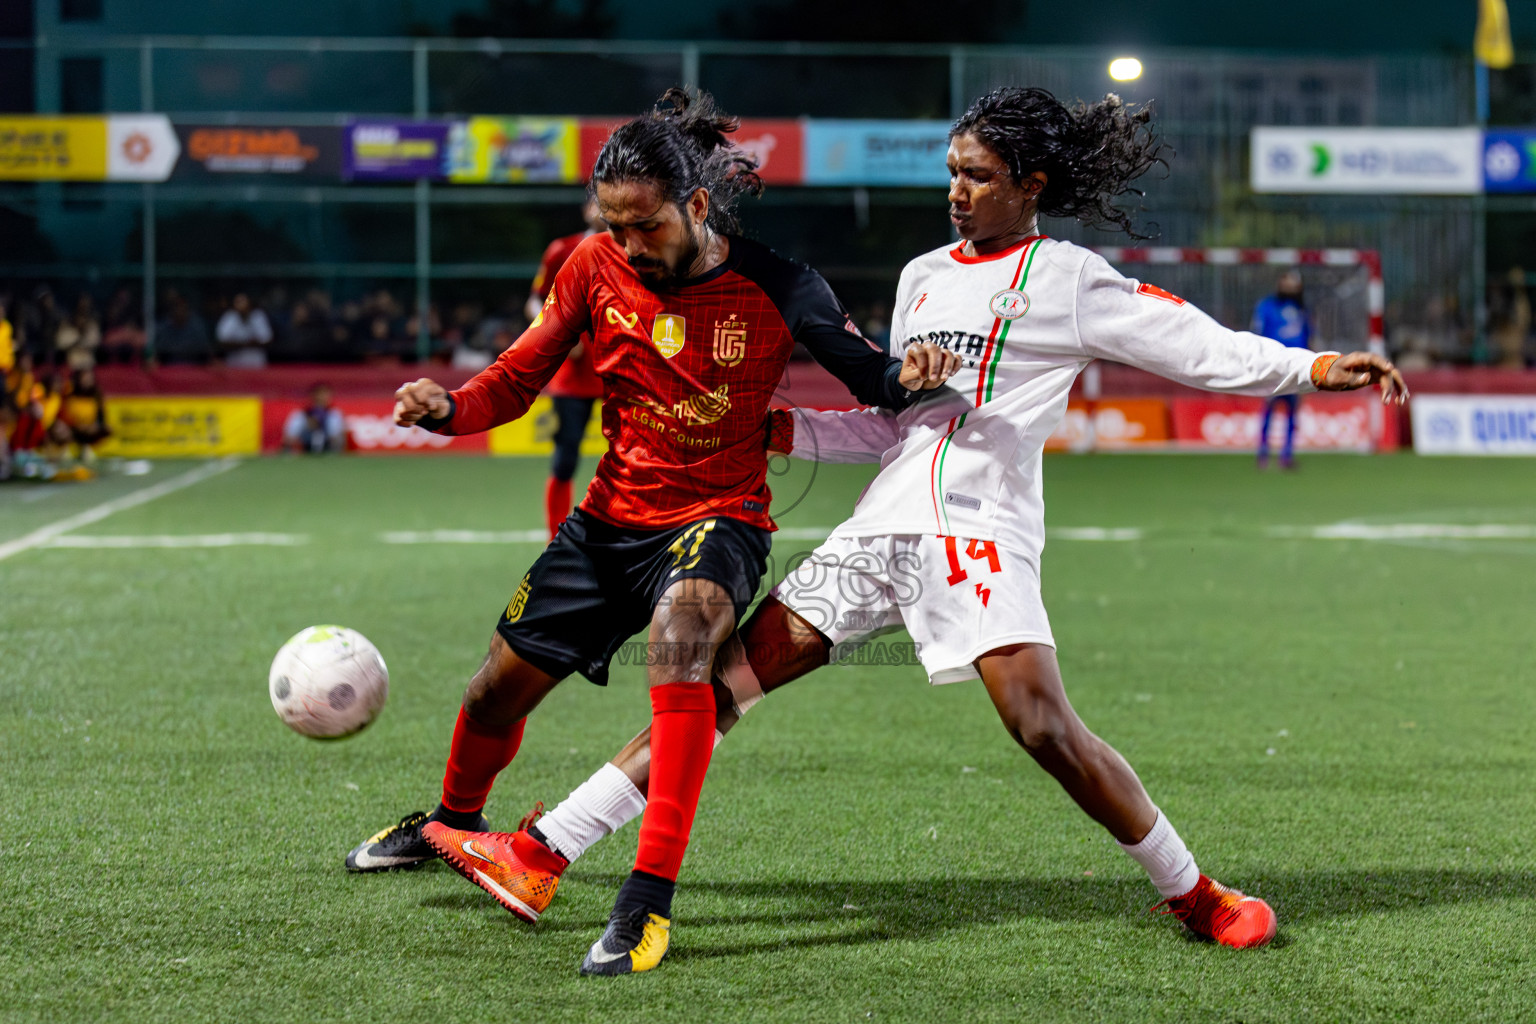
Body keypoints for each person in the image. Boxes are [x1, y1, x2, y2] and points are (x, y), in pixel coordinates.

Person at [424, 87, 1410, 961]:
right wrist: (784, 426)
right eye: (951, 172)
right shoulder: (924, 276)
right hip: (880, 530)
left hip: (979, 530)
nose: (956, 191)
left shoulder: (1069, 278)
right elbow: (900, 419)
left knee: (1040, 724)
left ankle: (1194, 893)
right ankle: (542, 846)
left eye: (977, 176)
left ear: (1030, 182)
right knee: (718, 686)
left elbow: (1193, 343)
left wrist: (1313, 369)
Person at [344, 88, 958, 977]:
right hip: (607, 523)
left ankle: (646, 903)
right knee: (490, 695)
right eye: (616, 227)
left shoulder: (784, 286)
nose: (630, 246)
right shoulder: (592, 268)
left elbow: (875, 379)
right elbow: (516, 380)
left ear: (697, 207)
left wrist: (922, 363)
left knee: (683, 651)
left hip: (719, 519)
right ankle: (454, 824)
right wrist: (449, 408)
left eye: (645, 228)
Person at [526, 198, 607, 539]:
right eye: (598, 201)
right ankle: (555, 538)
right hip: (572, 380)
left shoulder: (641, 251)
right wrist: (556, 330)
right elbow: (535, 299)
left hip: (624, 376)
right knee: (566, 458)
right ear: (588, 208)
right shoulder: (563, 250)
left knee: (635, 458)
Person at [1251, 271, 1312, 469]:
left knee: (1292, 412)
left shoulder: (1302, 310)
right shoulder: (1267, 306)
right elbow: (1257, 335)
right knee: (1269, 409)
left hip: (1297, 367)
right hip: (1273, 365)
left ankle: (1287, 455)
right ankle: (1263, 453)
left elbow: (1308, 337)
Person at [281, 383, 346, 453]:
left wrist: (321, 424)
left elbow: (340, 431)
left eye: (325, 394)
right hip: (308, 438)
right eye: (320, 394)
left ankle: (334, 450)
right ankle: (287, 449)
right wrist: (310, 423)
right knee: (298, 418)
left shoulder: (333, 412)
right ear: (313, 395)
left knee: (334, 419)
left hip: (327, 440)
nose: (322, 397)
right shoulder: (304, 412)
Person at [215, 293, 273, 368]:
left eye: (243, 301)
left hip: (256, 363)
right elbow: (222, 340)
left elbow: (267, 339)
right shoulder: (229, 317)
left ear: (249, 303)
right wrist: (244, 343)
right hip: (234, 363)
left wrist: (250, 343)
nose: (241, 305)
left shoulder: (258, 316)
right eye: (238, 302)